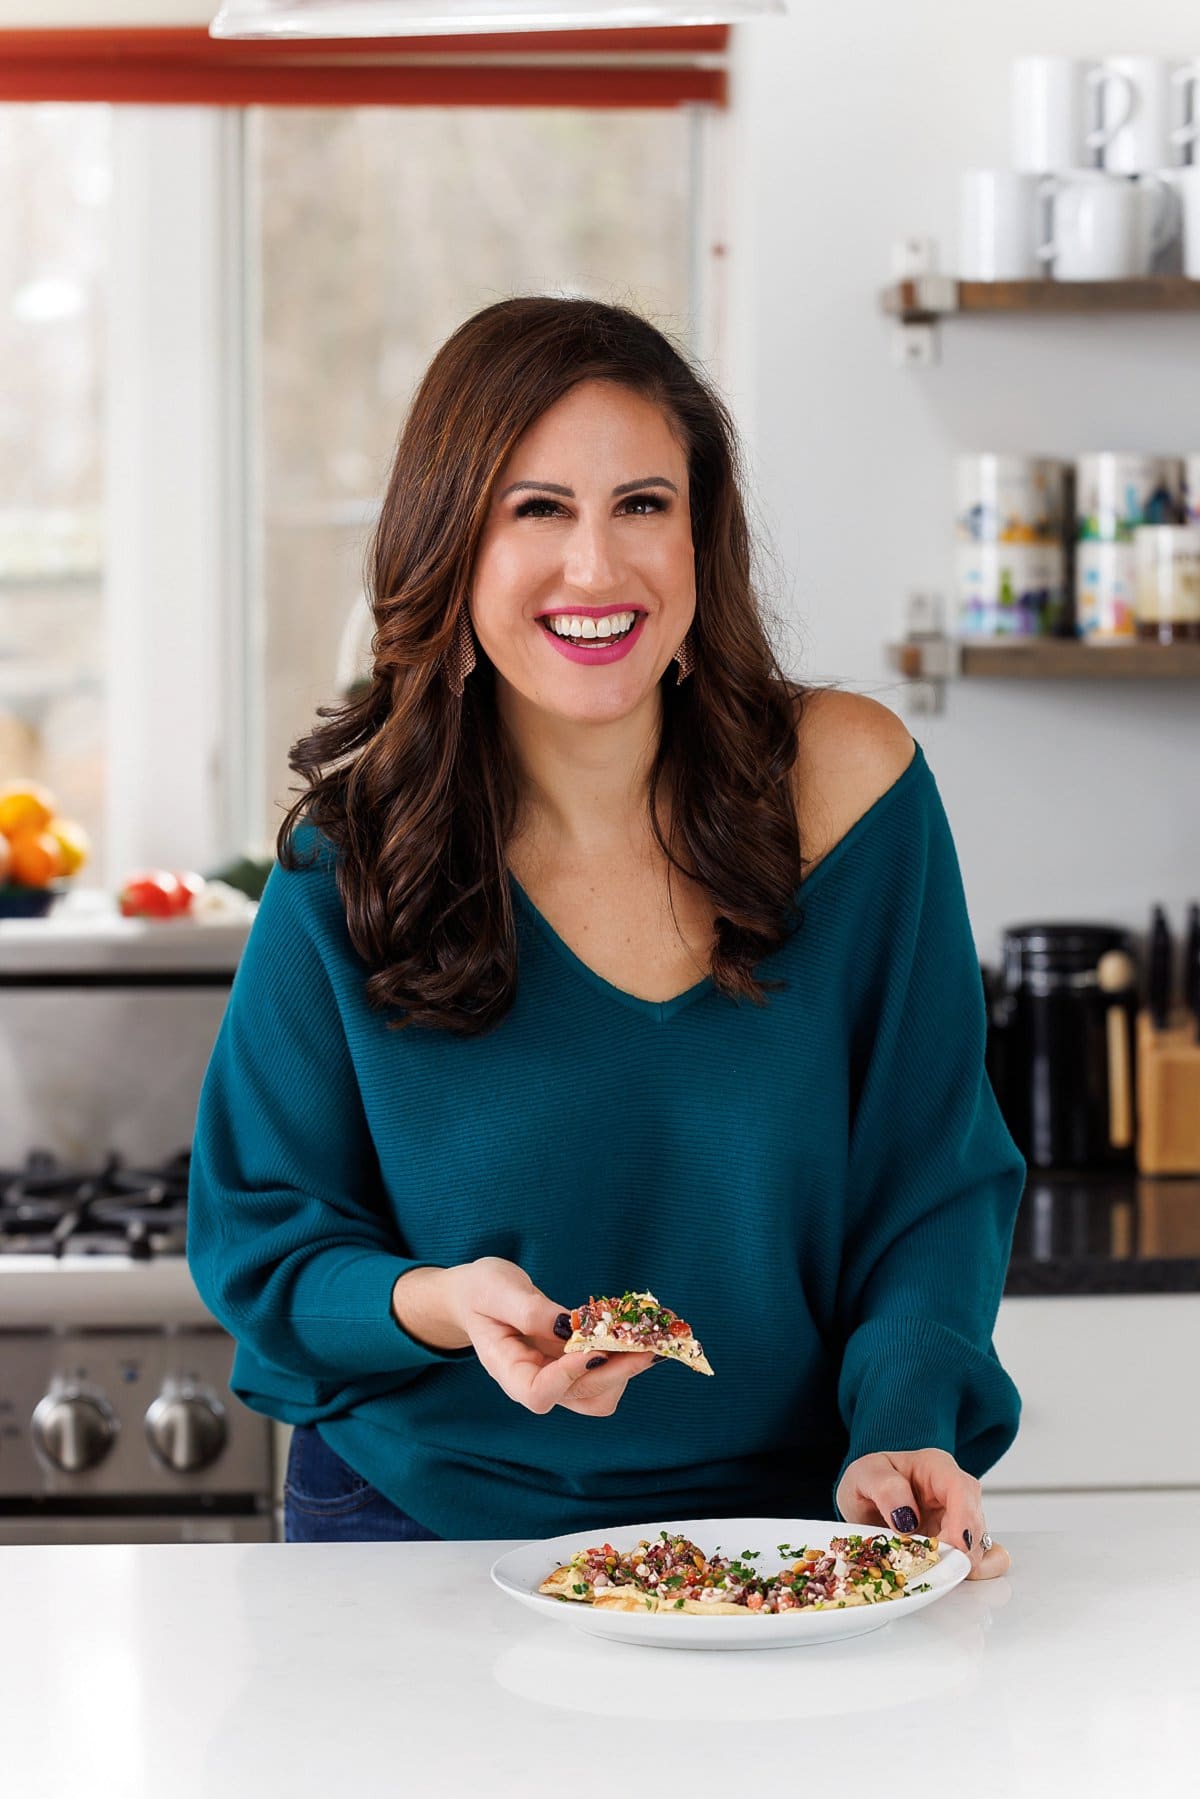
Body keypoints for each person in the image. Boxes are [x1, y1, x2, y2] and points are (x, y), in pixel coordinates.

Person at [187, 296, 1021, 1577]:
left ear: (702, 535)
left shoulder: (853, 791)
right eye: (537, 510)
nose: (596, 569)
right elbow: (262, 1237)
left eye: (643, 504)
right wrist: (446, 1304)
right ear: (451, 543)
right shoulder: (351, 856)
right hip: (416, 1536)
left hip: (785, 1535)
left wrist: (902, 1425)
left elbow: (932, 1181)